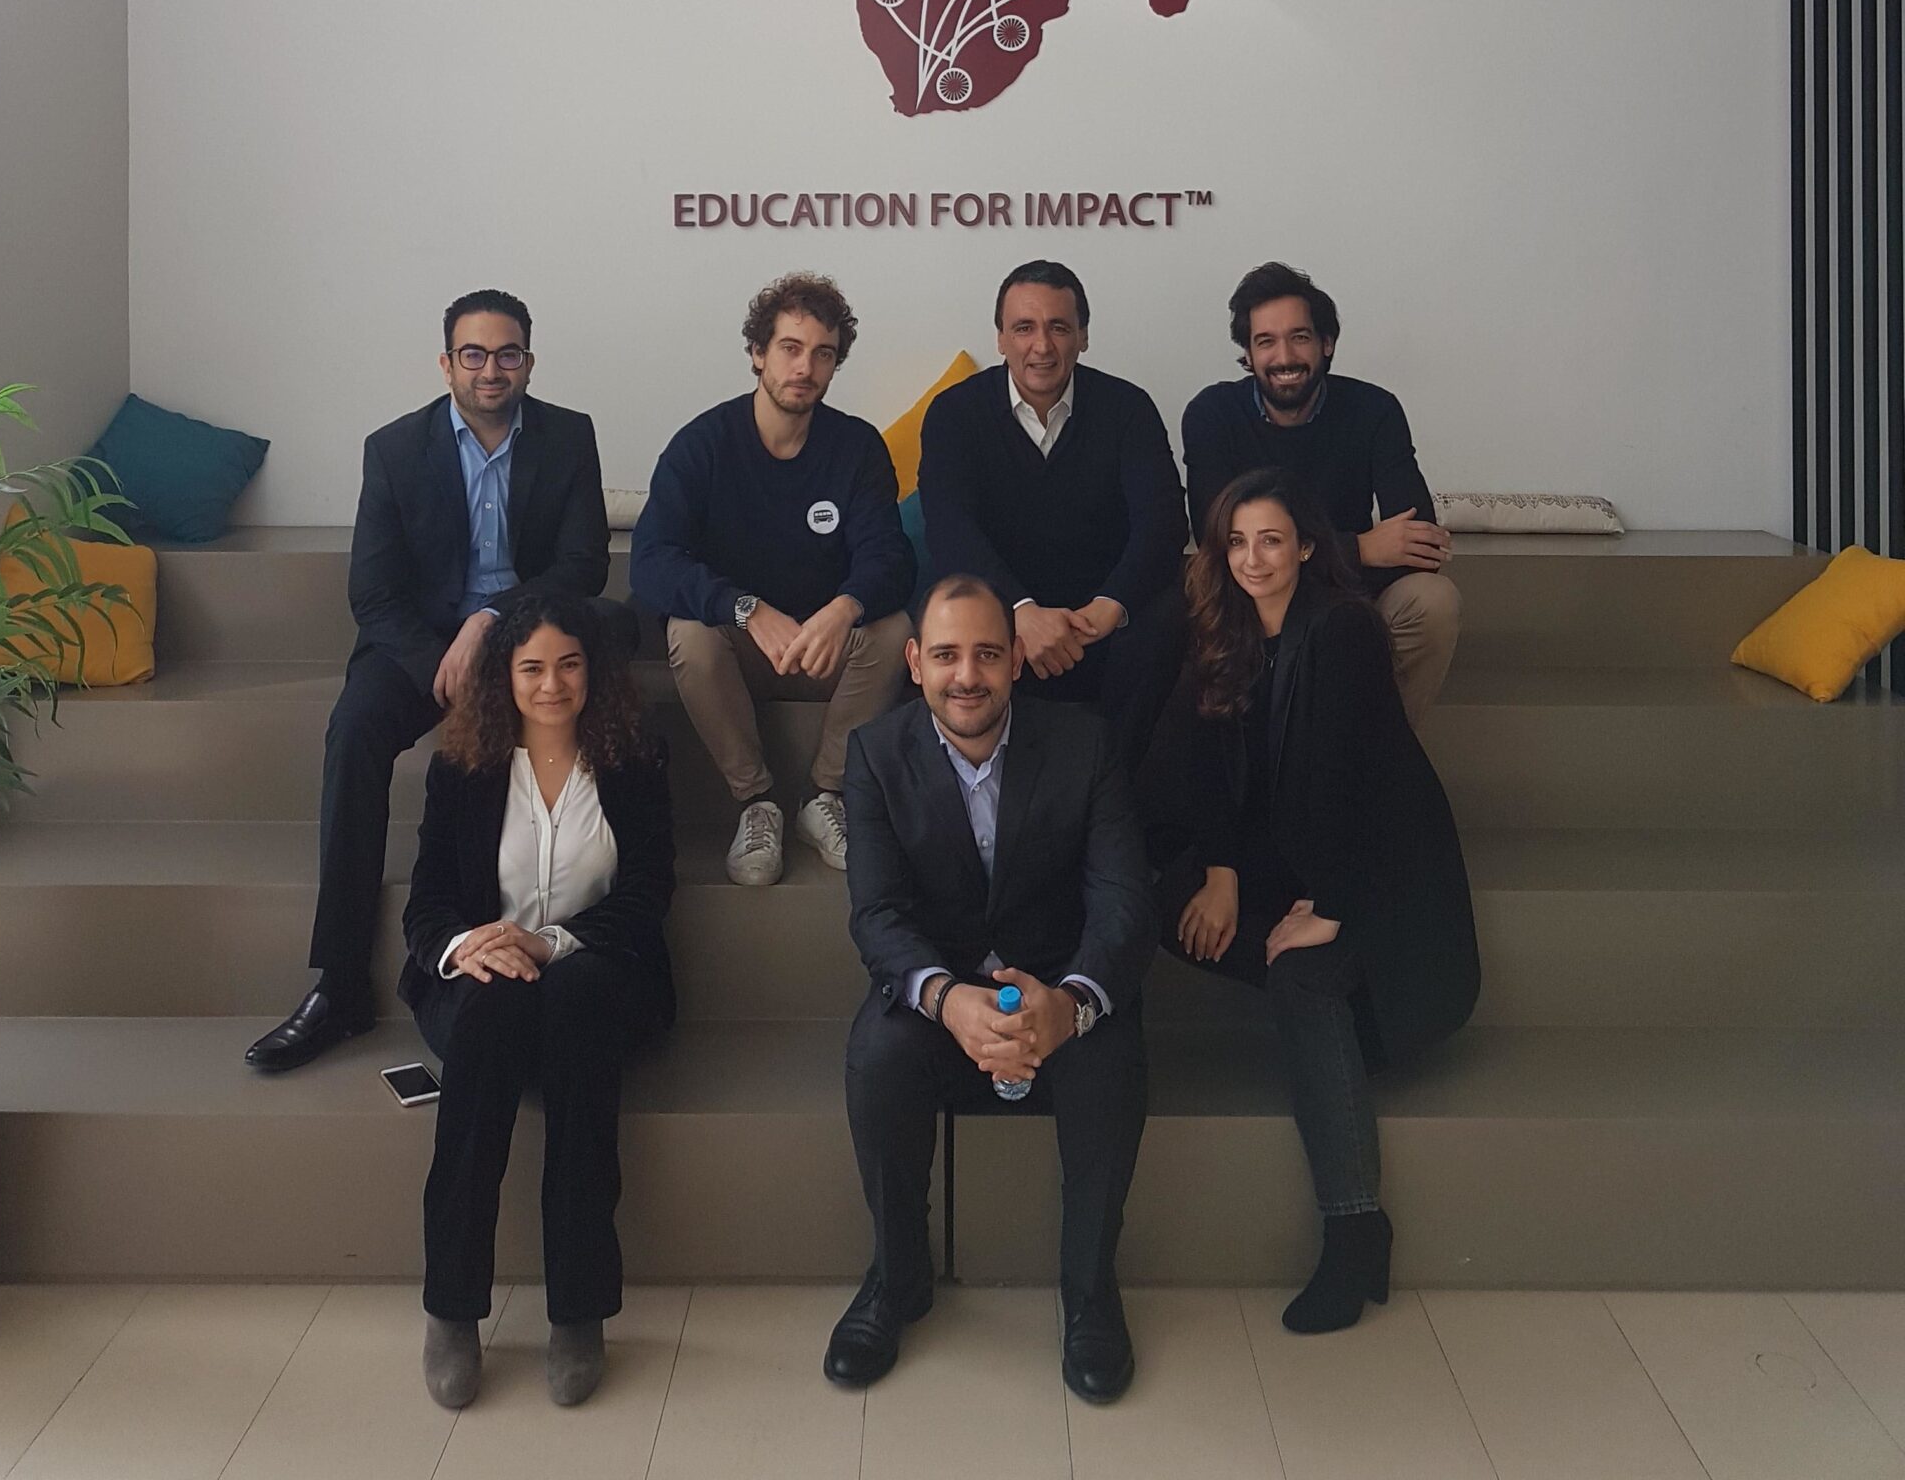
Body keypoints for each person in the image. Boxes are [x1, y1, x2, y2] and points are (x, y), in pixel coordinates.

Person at [247, 288, 627, 1073]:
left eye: (508, 354)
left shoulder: (568, 435)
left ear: (529, 361)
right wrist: (442, 666)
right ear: (446, 364)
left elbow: (583, 564)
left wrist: (489, 623)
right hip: (425, 647)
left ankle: (608, 951)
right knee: (353, 731)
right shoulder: (394, 449)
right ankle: (341, 984)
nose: (492, 370)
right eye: (474, 354)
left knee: (616, 649)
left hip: (529, 635)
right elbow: (373, 595)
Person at [1153, 468, 1478, 1332]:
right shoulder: (1223, 626)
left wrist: (1328, 906)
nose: (1253, 559)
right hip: (1286, 861)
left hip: (1376, 872)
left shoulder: (1342, 630)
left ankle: (1355, 1228)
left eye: (1271, 540)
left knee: (1303, 981)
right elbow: (1205, 763)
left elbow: (1350, 780)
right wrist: (1222, 871)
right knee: (1173, 906)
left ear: (1305, 546)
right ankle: (1330, 1025)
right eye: (1237, 542)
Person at [832, 575, 1156, 1400]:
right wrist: (948, 999)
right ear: (914, 662)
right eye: (946, 656)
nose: (966, 676)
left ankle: (1090, 1294)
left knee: (1111, 1058)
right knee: (877, 1056)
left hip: (1058, 986)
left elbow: (1123, 901)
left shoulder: (1084, 743)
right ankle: (896, 1278)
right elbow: (876, 914)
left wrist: (1068, 1003)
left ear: (1016, 659)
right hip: (942, 995)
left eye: (986, 654)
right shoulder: (874, 753)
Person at [401, 592, 675, 1409]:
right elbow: (426, 906)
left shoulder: (632, 761)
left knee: (577, 999)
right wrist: (471, 945)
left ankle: (578, 1311)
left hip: (598, 974)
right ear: (505, 678)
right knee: (492, 1002)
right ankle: (452, 1308)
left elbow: (647, 895)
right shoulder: (461, 768)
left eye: (568, 665)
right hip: (486, 982)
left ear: (593, 671)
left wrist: (549, 943)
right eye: (532, 669)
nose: (552, 684)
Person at [632, 272, 913, 885]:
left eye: (823, 354)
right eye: (790, 348)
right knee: (689, 633)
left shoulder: (856, 446)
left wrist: (845, 607)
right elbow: (651, 561)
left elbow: (889, 558)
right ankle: (757, 802)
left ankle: (825, 796)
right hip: (741, 648)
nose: (805, 367)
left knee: (894, 629)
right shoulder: (702, 445)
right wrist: (746, 608)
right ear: (758, 353)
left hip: (826, 649)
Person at [916, 261, 1187, 768]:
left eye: (1059, 327)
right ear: (1000, 339)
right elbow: (951, 531)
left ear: (1083, 337)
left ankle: (1115, 781)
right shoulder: (954, 414)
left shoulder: (1128, 408)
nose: (1041, 346)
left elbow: (1164, 521)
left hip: (1101, 620)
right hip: (1002, 617)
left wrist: (1111, 604)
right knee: (950, 618)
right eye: (1024, 328)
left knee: (1167, 616)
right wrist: (1018, 612)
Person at [1181, 261, 1460, 722]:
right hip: (1250, 595)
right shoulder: (1213, 414)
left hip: (1345, 598)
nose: (1284, 357)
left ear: (1326, 343)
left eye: (1300, 337)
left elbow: (1420, 544)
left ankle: (1380, 746)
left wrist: (1328, 565)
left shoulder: (1374, 410)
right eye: (1266, 341)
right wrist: (1360, 548)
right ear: (1248, 353)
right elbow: (1216, 536)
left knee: (1433, 599)